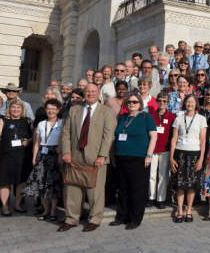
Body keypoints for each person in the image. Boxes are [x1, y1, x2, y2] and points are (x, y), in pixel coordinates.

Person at [59, 84, 117, 233]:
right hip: (75, 156)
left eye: (93, 91)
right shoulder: (74, 110)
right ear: (84, 94)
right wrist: (66, 152)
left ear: (98, 93)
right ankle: (71, 219)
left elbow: (108, 136)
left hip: (96, 158)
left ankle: (94, 220)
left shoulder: (106, 111)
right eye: (87, 91)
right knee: (73, 189)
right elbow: (66, 133)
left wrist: (102, 155)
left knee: (95, 191)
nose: (90, 93)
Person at [109, 93, 158, 230]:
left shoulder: (145, 116)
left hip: (139, 159)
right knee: (123, 189)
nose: (132, 104)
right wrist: (113, 155)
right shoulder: (123, 117)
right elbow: (115, 137)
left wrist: (149, 155)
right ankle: (121, 217)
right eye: (129, 101)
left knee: (137, 190)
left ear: (140, 104)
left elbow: (153, 136)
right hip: (121, 157)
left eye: (135, 102)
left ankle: (135, 219)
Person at [0, 98, 33, 216]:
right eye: (13, 107)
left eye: (19, 107)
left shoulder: (28, 121)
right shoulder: (2, 120)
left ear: (22, 109)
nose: (16, 109)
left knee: (21, 181)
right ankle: (5, 207)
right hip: (6, 156)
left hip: (23, 157)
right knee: (4, 181)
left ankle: (17, 205)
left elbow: (35, 136)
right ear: (9, 108)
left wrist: (28, 141)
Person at [22, 98, 64, 221]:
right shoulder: (41, 124)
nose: (51, 111)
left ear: (58, 110)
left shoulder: (62, 123)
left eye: (53, 109)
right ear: (45, 110)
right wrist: (34, 157)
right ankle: (45, 210)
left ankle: (53, 210)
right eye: (49, 109)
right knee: (42, 183)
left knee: (53, 184)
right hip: (42, 153)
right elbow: (36, 142)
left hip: (55, 154)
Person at [169, 94, 207, 223]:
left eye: (192, 102)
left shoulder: (201, 119)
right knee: (180, 185)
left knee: (191, 185)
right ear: (184, 104)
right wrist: (171, 158)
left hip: (194, 154)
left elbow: (203, 140)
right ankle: (180, 211)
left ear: (196, 104)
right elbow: (174, 139)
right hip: (180, 153)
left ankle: (189, 211)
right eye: (188, 102)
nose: (190, 104)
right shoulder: (179, 119)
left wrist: (201, 159)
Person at [149, 92, 175, 209]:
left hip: (165, 149)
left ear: (167, 102)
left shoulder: (172, 117)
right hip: (153, 149)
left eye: (164, 101)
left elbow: (173, 135)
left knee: (163, 176)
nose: (162, 103)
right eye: (160, 101)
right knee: (152, 175)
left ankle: (161, 199)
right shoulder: (151, 116)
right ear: (157, 101)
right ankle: (151, 197)